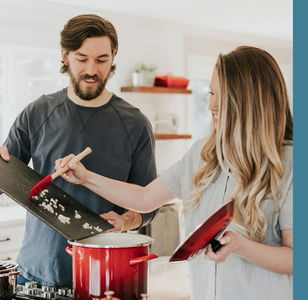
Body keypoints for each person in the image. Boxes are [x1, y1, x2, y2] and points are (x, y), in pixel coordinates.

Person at [57, 46, 293, 300]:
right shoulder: (201, 154)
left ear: (249, 101)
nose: (211, 104)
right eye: (211, 93)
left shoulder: (290, 164)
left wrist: (241, 246)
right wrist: (85, 177)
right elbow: (145, 198)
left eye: (221, 95)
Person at [0, 14, 159, 288]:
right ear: (65, 56)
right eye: (82, 58)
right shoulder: (37, 113)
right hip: (35, 275)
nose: (91, 70)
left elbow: (149, 204)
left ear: (113, 58)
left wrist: (125, 220)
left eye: (101, 60)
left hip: (104, 277)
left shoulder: (135, 124)